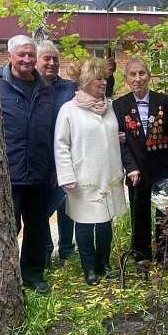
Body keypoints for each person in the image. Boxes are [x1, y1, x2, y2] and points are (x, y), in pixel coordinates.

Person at [54, 58, 126, 286]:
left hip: (108, 175)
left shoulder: (110, 108)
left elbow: (109, 134)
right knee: (84, 224)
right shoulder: (69, 109)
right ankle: (89, 268)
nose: (104, 82)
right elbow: (61, 144)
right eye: (98, 78)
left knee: (105, 222)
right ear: (86, 81)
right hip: (83, 177)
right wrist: (66, 176)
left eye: (105, 78)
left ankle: (104, 263)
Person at [113, 57, 168, 268]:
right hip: (137, 170)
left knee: (165, 214)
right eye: (132, 74)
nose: (137, 79)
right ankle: (142, 255)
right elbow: (119, 141)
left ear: (149, 76)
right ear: (126, 79)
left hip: (163, 169)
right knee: (140, 213)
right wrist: (130, 167)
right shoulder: (119, 106)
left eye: (141, 73)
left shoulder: (166, 102)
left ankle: (165, 255)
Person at [0, 35, 56, 294]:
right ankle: (7, 278)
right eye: (21, 54)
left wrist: (53, 167)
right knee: (9, 227)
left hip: (38, 171)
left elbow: (53, 130)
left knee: (36, 226)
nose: (27, 59)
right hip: (7, 173)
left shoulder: (46, 89)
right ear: (9, 56)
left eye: (31, 54)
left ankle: (32, 274)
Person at [36, 40, 78, 267]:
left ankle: (66, 249)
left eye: (55, 59)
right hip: (39, 158)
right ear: (36, 61)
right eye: (46, 59)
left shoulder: (70, 88)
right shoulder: (31, 85)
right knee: (40, 208)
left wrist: (108, 76)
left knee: (65, 204)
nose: (51, 63)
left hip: (65, 157)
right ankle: (44, 250)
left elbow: (96, 92)